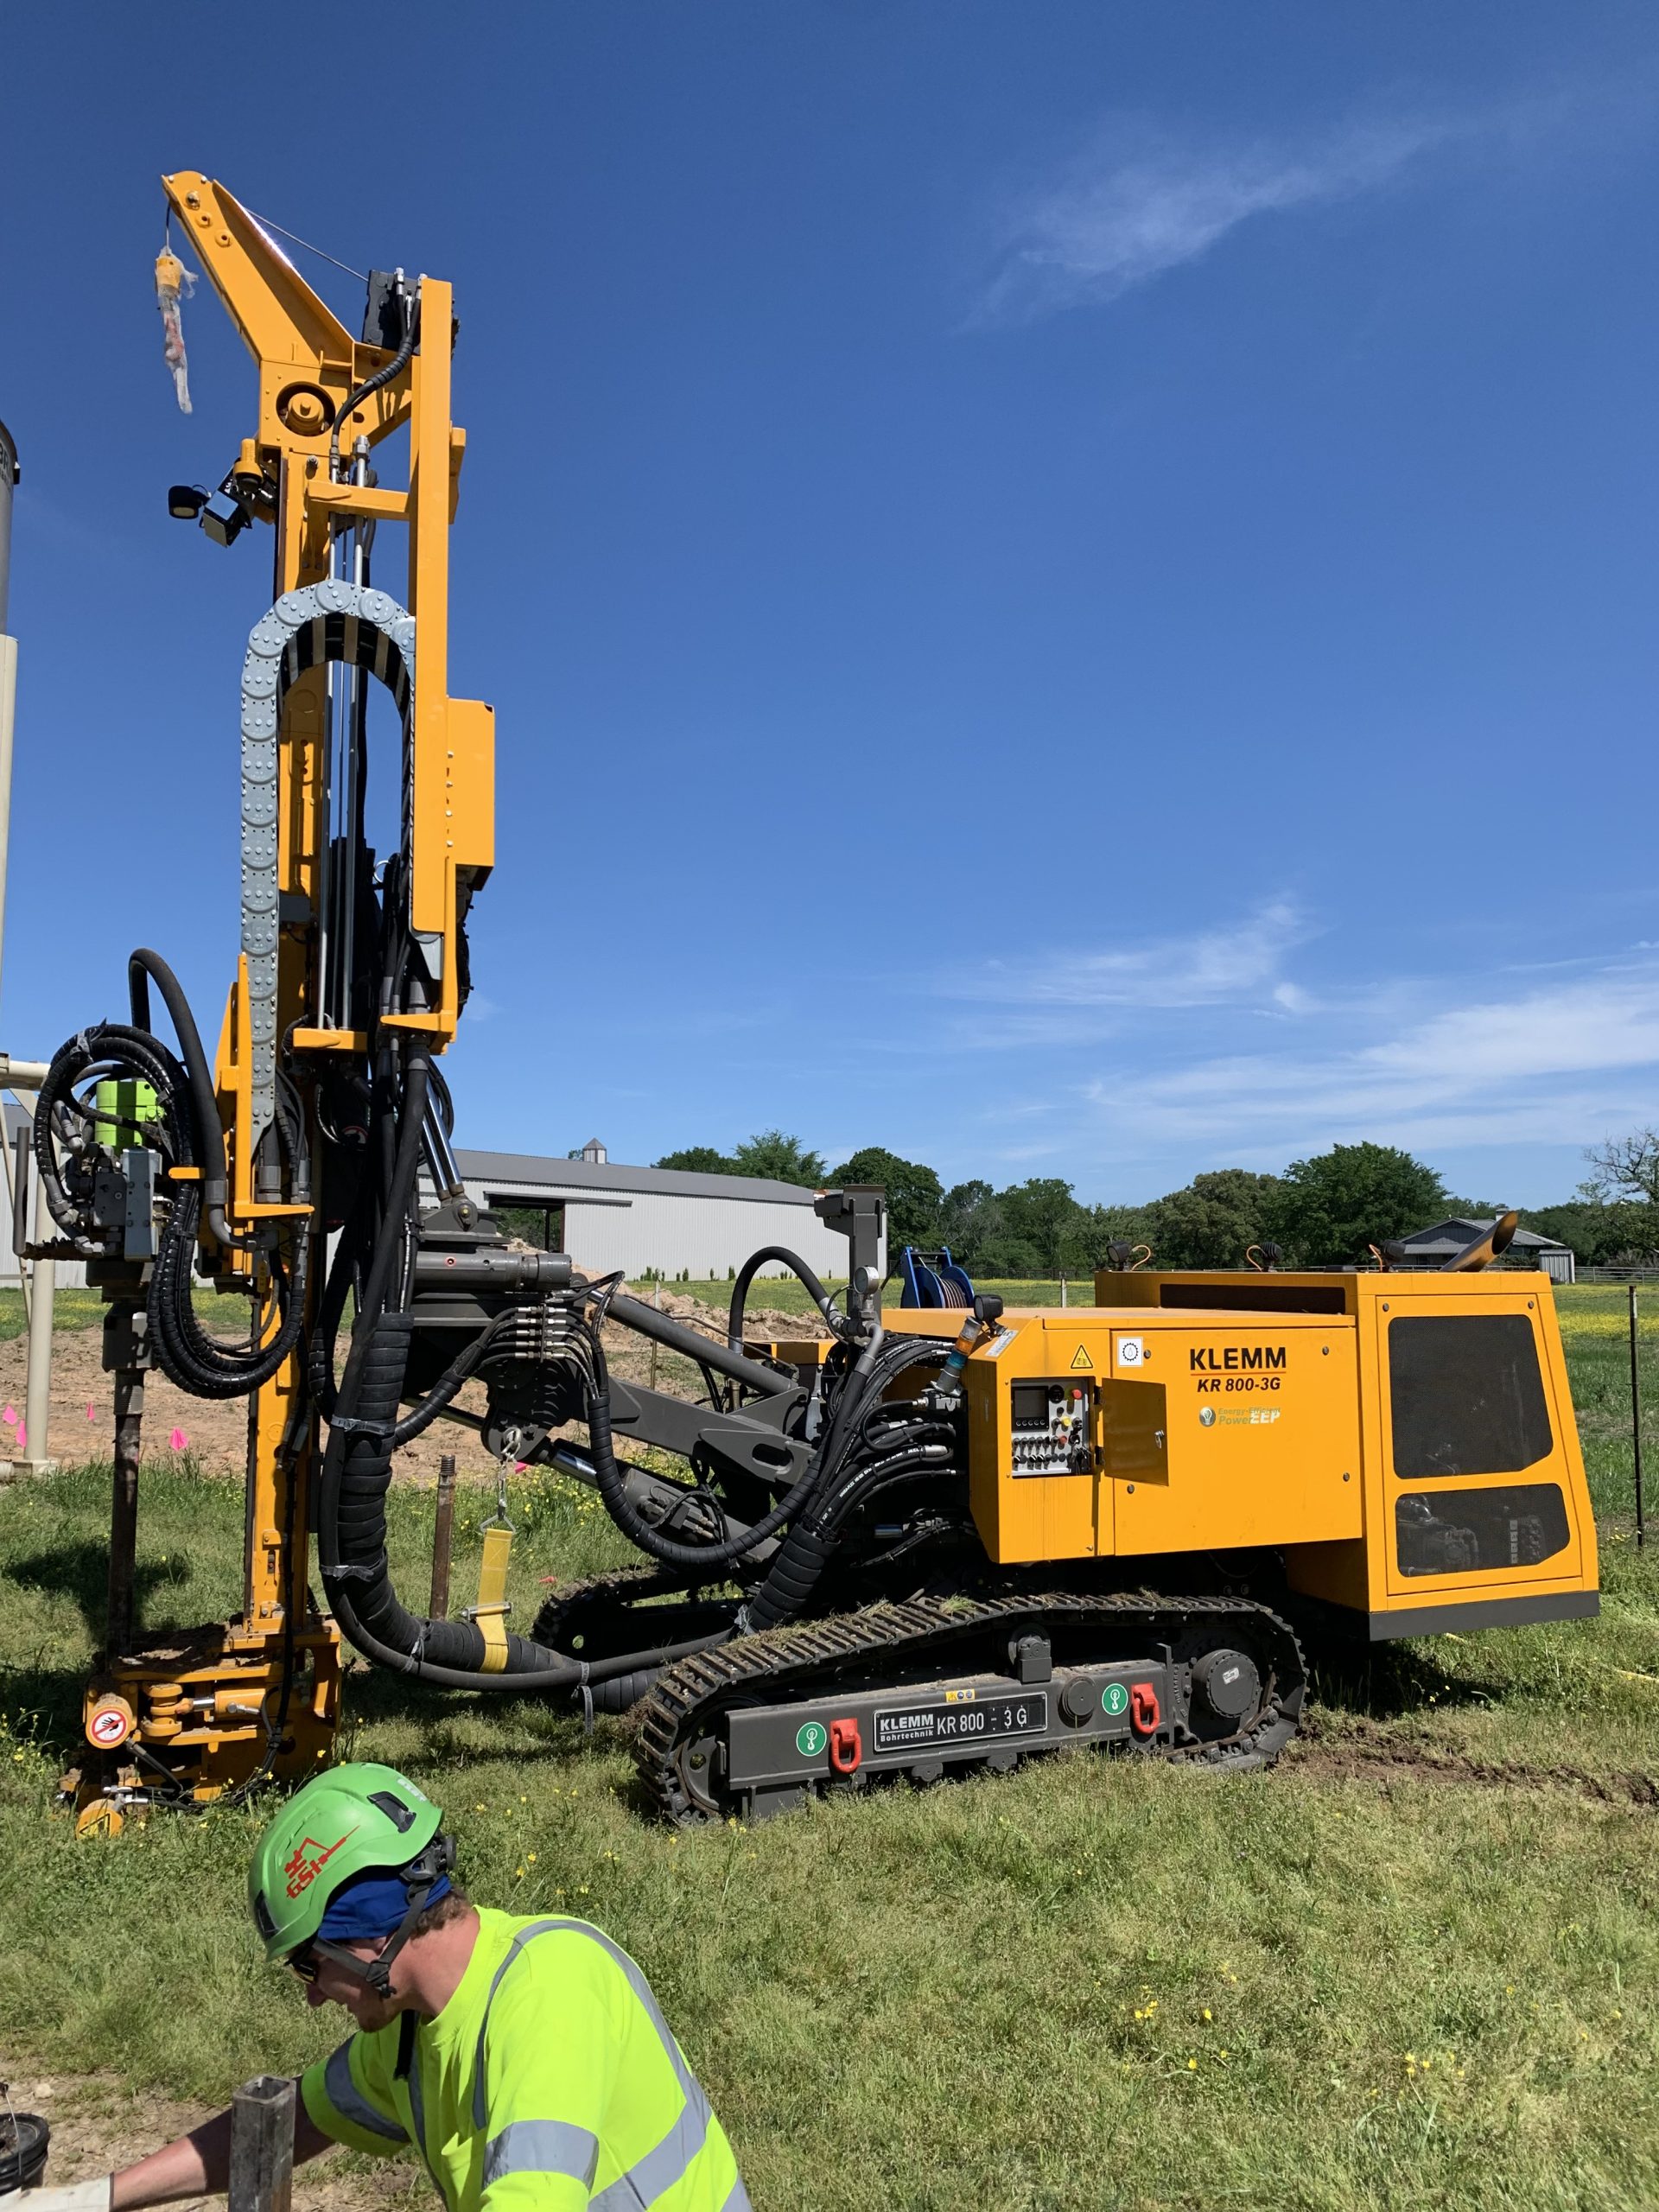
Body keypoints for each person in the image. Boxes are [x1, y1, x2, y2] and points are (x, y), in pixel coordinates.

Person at [40, 1762, 749, 2212]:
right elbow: (291, 2124)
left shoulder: (551, 1991)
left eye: (309, 1967)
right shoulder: (410, 2025)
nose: (313, 1997)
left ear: (371, 1939)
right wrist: (96, 2199)